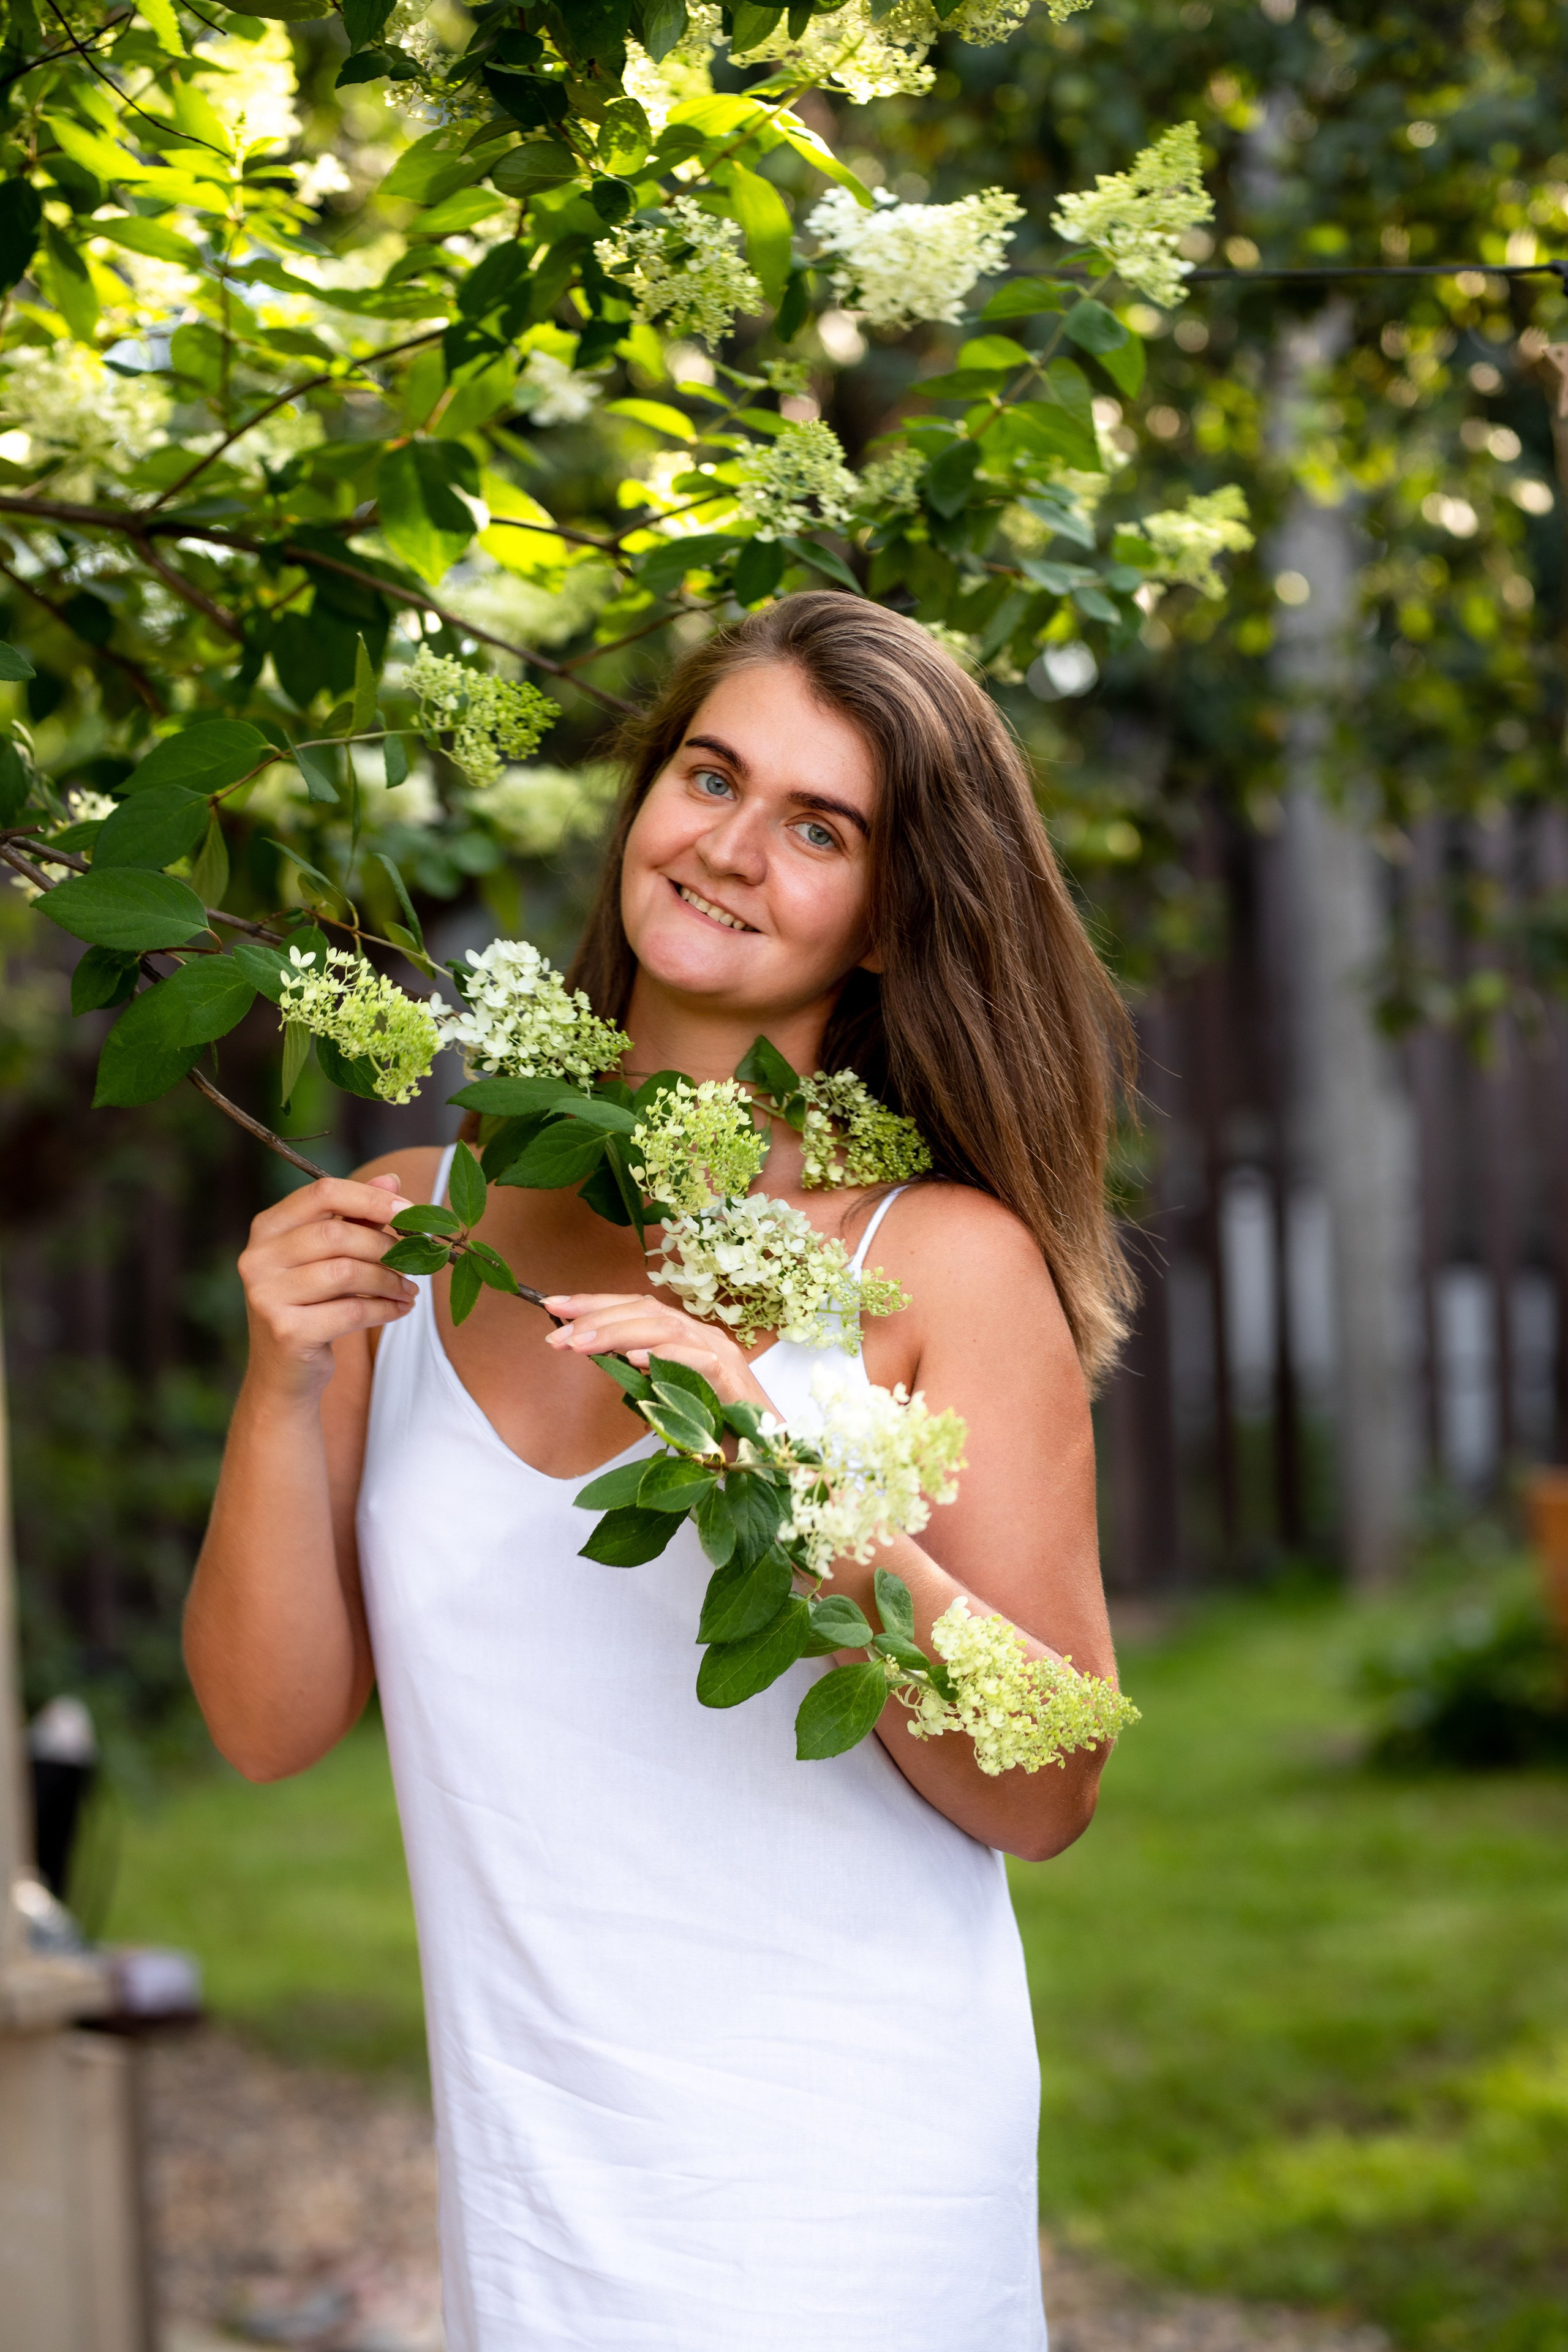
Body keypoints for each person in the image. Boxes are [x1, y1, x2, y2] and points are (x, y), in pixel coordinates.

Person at [186, 592, 1134, 2351]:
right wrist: (282, 1379)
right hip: (536, 2189)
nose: (731, 847)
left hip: (849, 2191)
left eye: (819, 827)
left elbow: (1054, 1781)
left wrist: (801, 1497)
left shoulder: (939, 1261)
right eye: (711, 775)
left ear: (887, 917)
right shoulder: (414, 1231)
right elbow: (263, 1725)